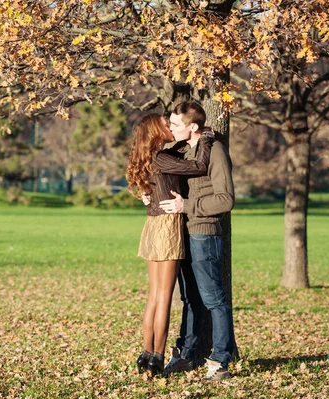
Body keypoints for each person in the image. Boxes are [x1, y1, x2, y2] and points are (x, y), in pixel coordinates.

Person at [126, 113, 213, 377]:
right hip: (166, 227)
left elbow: (173, 155)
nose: (170, 127)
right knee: (163, 297)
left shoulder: (150, 157)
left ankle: (146, 353)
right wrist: (207, 140)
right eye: (166, 124)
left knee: (153, 297)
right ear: (155, 131)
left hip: (152, 226)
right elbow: (199, 166)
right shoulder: (162, 159)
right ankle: (158, 357)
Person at [158, 101, 236, 381]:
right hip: (181, 233)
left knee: (214, 299)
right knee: (190, 299)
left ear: (193, 126)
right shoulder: (180, 150)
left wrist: (186, 206)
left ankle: (220, 360)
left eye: (175, 124)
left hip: (204, 232)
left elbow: (226, 199)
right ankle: (186, 355)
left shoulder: (214, 151)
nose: (170, 128)